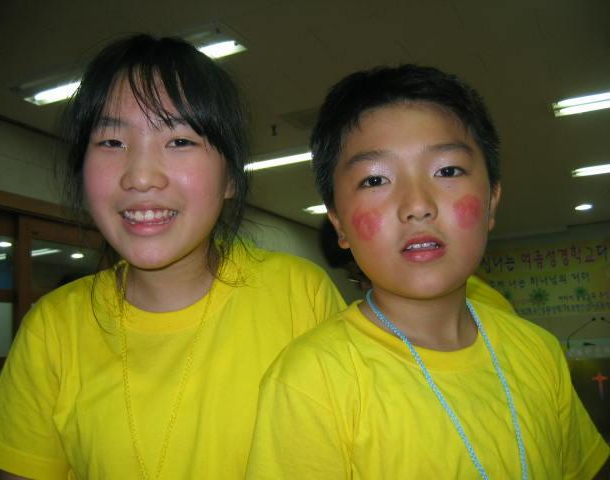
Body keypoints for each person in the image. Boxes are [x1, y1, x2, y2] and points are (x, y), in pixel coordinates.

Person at [0, 35, 346, 479]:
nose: (141, 176)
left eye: (180, 140)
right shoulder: (52, 329)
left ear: (230, 177)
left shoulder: (299, 296)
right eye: (112, 142)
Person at [246, 65, 610, 479]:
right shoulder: (312, 380)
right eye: (375, 180)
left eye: (447, 171)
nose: (417, 205)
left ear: (491, 201)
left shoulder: (538, 351)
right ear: (340, 225)